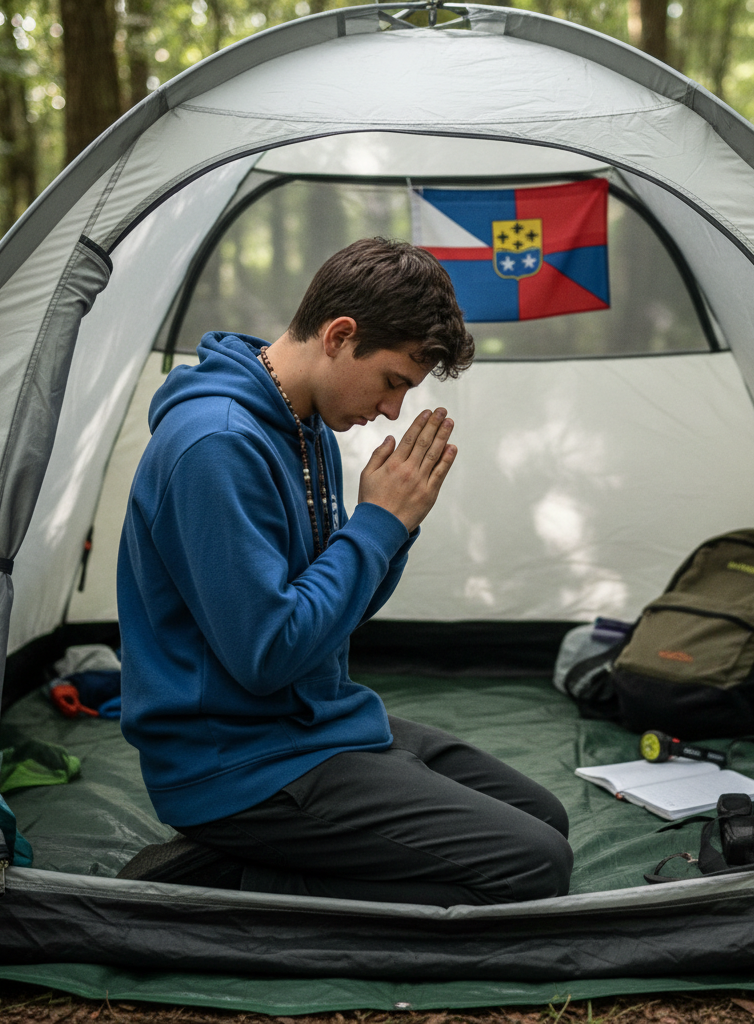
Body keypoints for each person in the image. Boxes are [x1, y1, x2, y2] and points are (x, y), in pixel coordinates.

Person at [116, 237, 573, 906]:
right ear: (339, 335)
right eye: (392, 381)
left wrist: (395, 528)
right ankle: (241, 881)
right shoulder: (214, 444)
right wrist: (376, 525)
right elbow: (268, 653)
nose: (391, 410)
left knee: (546, 821)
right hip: (239, 768)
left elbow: (332, 612)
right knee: (533, 866)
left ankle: (273, 864)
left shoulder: (310, 431)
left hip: (310, 724)